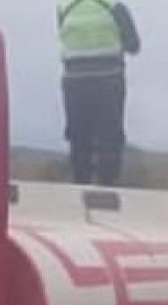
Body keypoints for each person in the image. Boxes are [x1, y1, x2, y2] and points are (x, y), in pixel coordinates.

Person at [57, 0, 141, 185]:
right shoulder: (114, 7)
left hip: (74, 80)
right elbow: (134, 45)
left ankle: (80, 183)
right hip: (108, 78)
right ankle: (107, 184)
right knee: (109, 134)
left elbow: (62, 37)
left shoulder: (64, 7)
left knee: (78, 135)